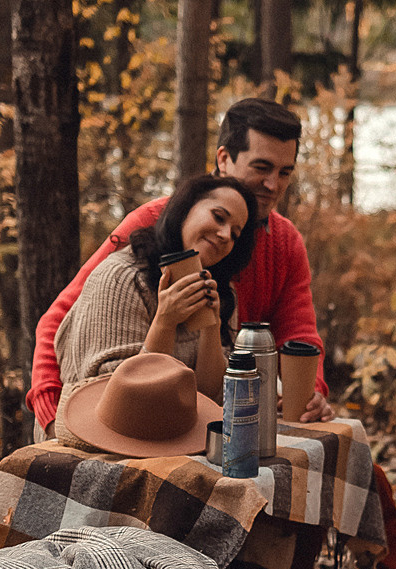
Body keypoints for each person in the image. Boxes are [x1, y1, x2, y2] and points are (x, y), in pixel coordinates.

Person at [28, 97, 396, 569]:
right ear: (223, 159)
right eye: (261, 167)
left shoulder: (275, 245)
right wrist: (52, 410)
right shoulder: (157, 225)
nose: (273, 184)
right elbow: (62, 320)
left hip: (215, 408)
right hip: (114, 407)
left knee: (328, 471)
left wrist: (309, 395)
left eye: (285, 172)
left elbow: (300, 334)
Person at [53, 173, 259, 409]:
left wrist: (212, 327)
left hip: (171, 434)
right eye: (218, 217)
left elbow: (210, 398)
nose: (225, 235)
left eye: (235, 234)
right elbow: (118, 402)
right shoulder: (122, 277)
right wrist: (165, 321)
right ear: (185, 209)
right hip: (95, 435)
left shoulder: (220, 291)